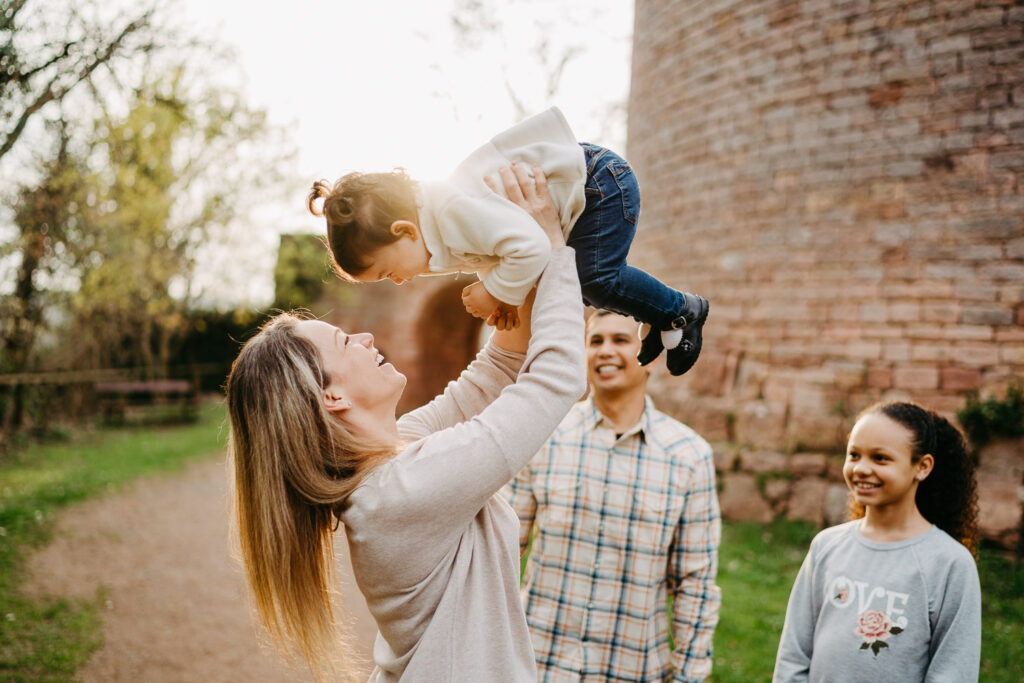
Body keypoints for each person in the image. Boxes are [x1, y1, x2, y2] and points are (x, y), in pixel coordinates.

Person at [225, 165, 586, 682]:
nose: (367, 339)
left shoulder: (398, 457)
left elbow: (498, 370)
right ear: (331, 396)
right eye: (347, 342)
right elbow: (556, 379)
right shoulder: (402, 491)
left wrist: (514, 261)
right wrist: (552, 245)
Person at [307, 106, 709, 376]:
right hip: (589, 190)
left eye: (387, 270)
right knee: (577, 286)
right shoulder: (436, 229)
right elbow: (497, 250)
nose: (396, 280)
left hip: (597, 184)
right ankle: (658, 314)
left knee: (595, 280)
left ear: (404, 232)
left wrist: (493, 290)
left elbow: (530, 248)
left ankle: (680, 310)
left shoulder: (449, 210)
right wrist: (506, 298)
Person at [503, 309, 722, 681]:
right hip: (538, 664)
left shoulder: (689, 456)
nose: (605, 351)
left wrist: (690, 675)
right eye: (595, 341)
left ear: (651, 357)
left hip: (632, 667)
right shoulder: (544, 434)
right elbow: (502, 550)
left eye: (620, 340)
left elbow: (695, 584)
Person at [773, 401, 981, 683]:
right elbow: (793, 655)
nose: (861, 468)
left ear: (922, 467)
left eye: (880, 458)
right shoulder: (827, 546)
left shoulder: (949, 564)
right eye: (854, 455)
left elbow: (953, 671)